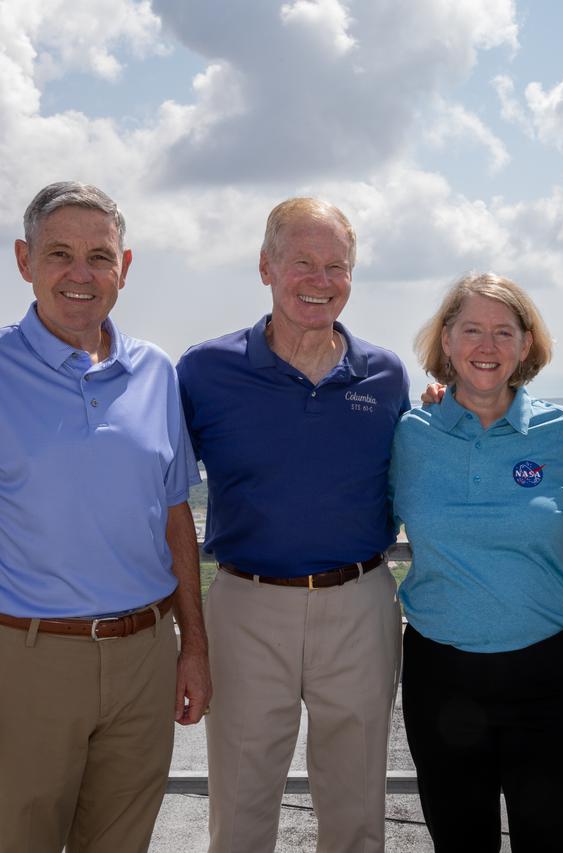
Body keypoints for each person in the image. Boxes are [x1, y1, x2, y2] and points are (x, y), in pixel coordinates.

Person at [0, 181, 210, 853]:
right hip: (24, 664)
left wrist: (193, 645)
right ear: (24, 260)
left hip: (143, 662)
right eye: (59, 254)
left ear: (124, 268)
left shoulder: (156, 372)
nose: (82, 274)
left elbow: (174, 520)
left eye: (100, 256)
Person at [177, 198, 408, 853]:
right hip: (247, 605)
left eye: (336, 264)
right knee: (242, 808)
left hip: (361, 601)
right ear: (265, 266)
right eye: (302, 261)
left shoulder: (386, 374)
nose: (320, 278)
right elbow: (152, 486)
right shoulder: (203, 371)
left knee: (358, 809)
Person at [389, 273, 563, 852]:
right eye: (471, 330)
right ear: (445, 341)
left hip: (549, 678)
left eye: (503, 332)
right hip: (441, 676)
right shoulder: (409, 435)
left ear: (525, 344)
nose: (486, 347)